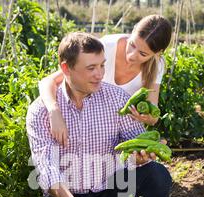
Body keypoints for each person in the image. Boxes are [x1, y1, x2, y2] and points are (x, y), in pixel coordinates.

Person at [26, 32, 172, 197]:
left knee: (157, 175)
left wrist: (141, 155)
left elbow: (134, 141)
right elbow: (45, 166)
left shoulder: (116, 98)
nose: (100, 74)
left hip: (112, 189)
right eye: (91, 68)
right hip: (69, 194)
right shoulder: (42, 111)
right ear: (66, 69)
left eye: (102, 65)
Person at [39, 14, 172, 147]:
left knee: (152, 167)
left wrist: (146, 118)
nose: (131, 55)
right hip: (84, 123)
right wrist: (54, 111)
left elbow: (153, 116)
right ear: (133, 30)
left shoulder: (157, 65)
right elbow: (48, 81)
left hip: (117, 134)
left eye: (142, 54)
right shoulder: (107, 46)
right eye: (132, 44)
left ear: (157, 53)